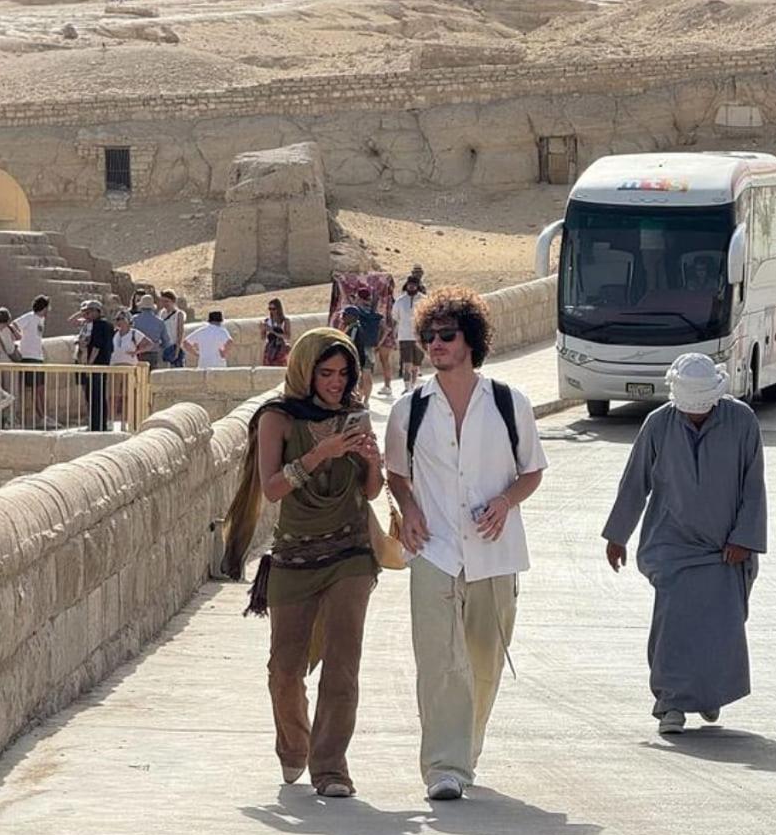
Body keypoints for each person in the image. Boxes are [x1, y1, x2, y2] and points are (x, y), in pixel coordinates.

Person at [385, 286, 547, 800]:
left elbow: (532, 471)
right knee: (438, 662)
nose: (435, 343)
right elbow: (396, 474)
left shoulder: (508, 403)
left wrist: (505, 502)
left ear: (471, 340)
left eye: (447, 335)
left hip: (494, 553)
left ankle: (465, 751)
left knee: (483, 663)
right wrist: (408, 508)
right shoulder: (409, 410)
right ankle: (444, 766)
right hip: (432, 551)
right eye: (429, 335)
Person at [222, 328, 383, 797]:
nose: (336, 382)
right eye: (326, 373)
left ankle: (331, 767)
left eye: (344, 373)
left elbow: (371, 490)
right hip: (295, 555)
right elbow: (272, 488)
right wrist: (319, 454)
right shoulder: (277, 418)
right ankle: (295, 746)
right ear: (306, 372)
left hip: (351, 553)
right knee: (285, 670)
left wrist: (373, 460)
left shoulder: (353, 415)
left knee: (342, 665)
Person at [602, 352, 767, 735]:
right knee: (673, 627)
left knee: (719, 629)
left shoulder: (742, 421)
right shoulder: (658, 424)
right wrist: (617, 535)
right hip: (671, 546)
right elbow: (635, 481)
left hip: (725, 550)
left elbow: (753, 484)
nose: (695, 415)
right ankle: (671, 703)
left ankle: (707, 693)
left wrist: (744, 539)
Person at [13, 295, 50, 425]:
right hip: (29, 357)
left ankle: (44, 415)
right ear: (43, 307)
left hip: (38, 357)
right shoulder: (29, 317)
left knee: (41, 388)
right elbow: (14, 324)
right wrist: (18, 337)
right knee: (35, 388)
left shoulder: (41, 320)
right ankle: (40, 417)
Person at [83, 300, 114, 431]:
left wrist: (89, 364)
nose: (87, 314)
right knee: (100, 395)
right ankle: (102, 424)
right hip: (105, 363)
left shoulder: (97, 326)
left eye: (89, 312)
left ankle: (95, 425)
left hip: (96, 364)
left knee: (94, 396)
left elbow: (96, 346)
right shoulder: (109, 325)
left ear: (97, 312)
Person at [393, 275, 425, 393]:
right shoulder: (400, 301)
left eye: (414, 285)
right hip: (404, 337)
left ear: (418, 286)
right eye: (410, 284)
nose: (411, 287)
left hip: (419, 337)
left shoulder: (423, 300)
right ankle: (407, 387)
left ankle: (413, 386)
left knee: (416, 366)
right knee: (407, 364)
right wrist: (394, 334)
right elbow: (395, 317)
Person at [0, 307, 21, 427]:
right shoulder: (6, 330)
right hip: (7, 364)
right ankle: (10, 420)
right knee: (11, 392)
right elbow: (10, 349)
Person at [132, 294, 166, 371]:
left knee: (139, 375)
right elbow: (166, 340)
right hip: (153, 353)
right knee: (152, 375)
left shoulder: (134, 320)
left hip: (138, 353)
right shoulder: (160, 322)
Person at [260, 297, 292, 366]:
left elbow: (287, 336)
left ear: (278, 309)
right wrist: (263, 330)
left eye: (274, 309)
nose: (272, 311)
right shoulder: (267, 321)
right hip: (270, 348)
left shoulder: (285, 321)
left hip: (280, 347)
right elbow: (263, 338)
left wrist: (273, 331)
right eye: (270, 309)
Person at [158, 289, 185, 368]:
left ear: (173, 301)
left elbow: (180, 333)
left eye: (167, 301)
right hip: (164, 347)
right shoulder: (162, 313)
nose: (164, 304)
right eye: (163, 301)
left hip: (174, 346)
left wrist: (177, 351)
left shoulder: (179, 314)